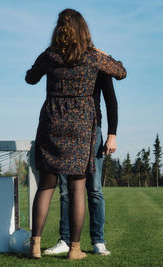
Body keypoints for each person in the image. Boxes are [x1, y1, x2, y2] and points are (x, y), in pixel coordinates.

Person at [24, 8, 126, 260]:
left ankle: (35, 245)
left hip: (52, 122)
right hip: (82, 125)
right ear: (83, 30)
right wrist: (104, 54)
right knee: (77, 187)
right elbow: (121, 72)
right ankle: (75, 249)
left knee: (47, 185)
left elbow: (29, 78)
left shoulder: (49, 56)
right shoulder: (93, 57)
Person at [44, 72, 117, 256]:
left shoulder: (98, 63)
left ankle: (98, 241)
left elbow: (111, 101)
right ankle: (65, 240)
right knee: (66, 190)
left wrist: (112, 135)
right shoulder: (66, 62)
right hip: (65, 132)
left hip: (93, 130)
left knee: (94, 189)